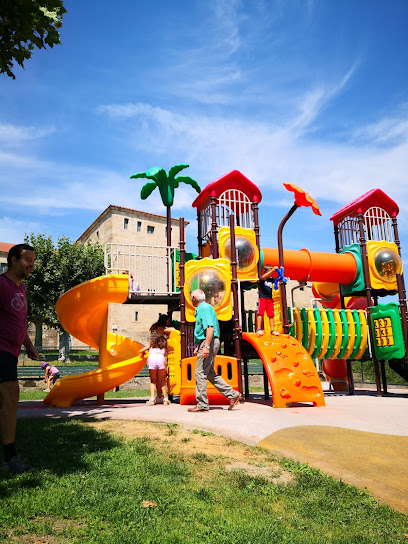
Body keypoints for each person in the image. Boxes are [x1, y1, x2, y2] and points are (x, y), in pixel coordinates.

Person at [0, 244, 38, 473]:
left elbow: (19, 323)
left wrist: (30, 346)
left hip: (12, 352)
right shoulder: (2, 285)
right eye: (27, 260)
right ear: (13, 260)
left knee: (7, 399)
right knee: (11, 394)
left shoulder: (21, 289)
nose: (31, 265)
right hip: (1, 349)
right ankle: (9, 458)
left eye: (33, 260)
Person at [188, 289, 241, 413]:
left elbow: (210, 327)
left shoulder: (204, 308)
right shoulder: (206, 307)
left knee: (199, 372)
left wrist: (206, 346)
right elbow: (204, 329)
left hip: (209, 342)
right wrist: (200, 345)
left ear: (194, 298)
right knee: (209, 373)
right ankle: (232, 394)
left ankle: (202, 404)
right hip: (208, 342)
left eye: (191, 298)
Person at [139, 314, 175, 403]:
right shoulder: (160, 329)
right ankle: (165, 398)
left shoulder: (154, 330)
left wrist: (141, 351)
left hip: (152, 357)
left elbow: (150, 345)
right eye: (168, 320)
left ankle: (153, 398)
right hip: (159, 357)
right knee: (162, 379)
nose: (169, 322)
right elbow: (172, 330)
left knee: (153, 380)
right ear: (165, 321)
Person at [144, 336, 170, 406]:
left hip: (152, 359)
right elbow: (165, 356)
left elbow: (141, 350)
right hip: (160, 359)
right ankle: (165, 399)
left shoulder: (151, 346)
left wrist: (145, 353)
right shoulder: (163, 349)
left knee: (152, 381)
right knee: (162, 380)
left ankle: (152, 399)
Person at [256, 264, 280, 336]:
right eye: (269, 272)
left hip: (270, 299)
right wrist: (271, 271)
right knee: (260, 313)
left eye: (271, 273)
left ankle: (272, 330)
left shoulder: (271, 279)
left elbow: (279, 278)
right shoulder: (262, 278)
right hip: (262, 298)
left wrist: (279, 271)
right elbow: (262, 277)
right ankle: (259, 329)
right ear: (265, 272)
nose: (270, 274)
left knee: (271, 315)